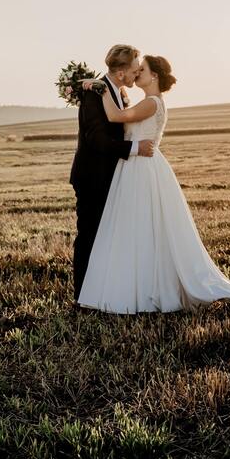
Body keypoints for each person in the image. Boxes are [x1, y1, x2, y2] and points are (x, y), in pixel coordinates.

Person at [77, 54, 230, 313]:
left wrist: (101, 89)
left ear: (154, 76)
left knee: (145, 226)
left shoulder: (151, 103)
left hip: (144, 169)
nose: (137, 73)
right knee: (139, 228)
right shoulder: (146, 101)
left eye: (142, 69)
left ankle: (147, 289)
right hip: (134, 168)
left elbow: (115, 118)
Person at [69, 44, 155, 302]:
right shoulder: (95, 93)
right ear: (121, 74)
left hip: (112, 177)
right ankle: (82, 296)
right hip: (93, 177)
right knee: (90, 235)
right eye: (134, 69)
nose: (137, 73)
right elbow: (95, 139)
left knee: (108, 236)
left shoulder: (118, 93)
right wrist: (134, 147)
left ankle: (103, 291)